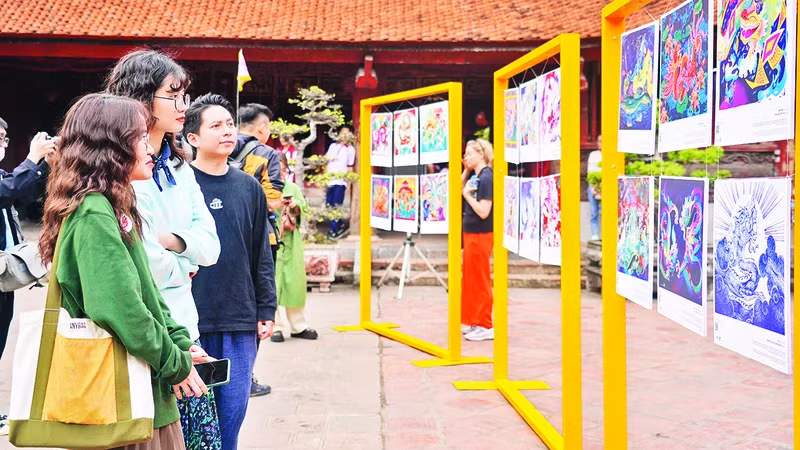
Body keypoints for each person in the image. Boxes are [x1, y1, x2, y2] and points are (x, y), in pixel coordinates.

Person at [38, 92, 209, 449]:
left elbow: (148, 296)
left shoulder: (114, 205)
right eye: (140, 138)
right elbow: (120, 308)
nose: (149, 148)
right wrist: (173, 361)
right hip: (120, 401)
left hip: (139, 395)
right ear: (110, 147)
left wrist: (179, 342)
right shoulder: (94, 213)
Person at [106, 50, 223, 449]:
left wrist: (170, 242)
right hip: (141, 337)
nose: (183, 106)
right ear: (140, 98)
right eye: (172, 95)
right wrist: (183, 265)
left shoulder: (180, 167)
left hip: (184, 327)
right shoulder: (117, 173)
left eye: (184, 95)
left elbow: (211, 247)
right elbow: (139, 262)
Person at [182, 93, 276, 450]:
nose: (227, 131)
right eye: (216, 126)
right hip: (188, 320)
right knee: (190, 420)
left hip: (238, 317)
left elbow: (261, 252)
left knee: (231, 416)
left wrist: (266, 308)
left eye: (229, 124)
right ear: (193, 137)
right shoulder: (179, 184)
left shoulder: (248, 187)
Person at [0, 118, 54, 436]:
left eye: (4, 139)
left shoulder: (4, 175)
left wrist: (46, 164)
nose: (3, 144)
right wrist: (33, 158)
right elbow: (8, 192)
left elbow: (23, 192)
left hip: (4, 277)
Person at [230, 102, 284, 397]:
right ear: (262, 128)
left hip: (221, 236)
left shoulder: (215, 148)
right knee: (257, 306)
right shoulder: (267, 154)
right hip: (259, 238)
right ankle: (245, 375)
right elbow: (272, 201)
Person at [272, 152, 317, 343]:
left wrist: (294, 205)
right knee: (272, 284)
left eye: (284, 170)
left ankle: (298, 325)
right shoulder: (263, 187)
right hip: (271, 239)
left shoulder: (292, 187)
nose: (281, 174)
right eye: (277, 170)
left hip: (291, 240)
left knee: (295, 283)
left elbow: (304, 210)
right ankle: (276, 326)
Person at [461, 139, 494, 342]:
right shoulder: (476, 176)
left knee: (480, 279)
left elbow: (483, 211)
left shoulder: (487, 177)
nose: (466, 157)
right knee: (471, 279)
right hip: (472, 233)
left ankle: (485, 324)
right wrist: (465, 171)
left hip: (481, 234)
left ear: (481, 154)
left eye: (469, 153)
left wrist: (467, 196)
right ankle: (475, 320)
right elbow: (455, 189)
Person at [324, 126, 355, 239]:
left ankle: (333, 229)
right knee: (329, 204)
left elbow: (350, 167)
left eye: (347, 133)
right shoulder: (332, 146)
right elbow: (326, 162)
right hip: (330, 180)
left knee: (336, 205)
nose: (344, 135)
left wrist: (349, 184)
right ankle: (340, 224)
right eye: (342, 132)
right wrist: (325, 178)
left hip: (340, 181)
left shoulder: (350, 149)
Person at [587, 135, 602, 241]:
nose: (600, 143)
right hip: (594, 184)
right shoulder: (594, 155)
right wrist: (594, 186)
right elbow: (590, 171)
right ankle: (595, 234)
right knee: (594, 211)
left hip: (606, 184)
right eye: (599, 141)